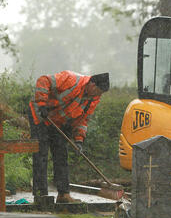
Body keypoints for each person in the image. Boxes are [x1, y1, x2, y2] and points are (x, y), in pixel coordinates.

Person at [27, 70, 110, 203]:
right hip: (41, 117)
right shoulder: (71, 79)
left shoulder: (94, 99)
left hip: (58, 122)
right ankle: (40, 195)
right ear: (92, 85)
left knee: (61, 155)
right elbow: (43, 80)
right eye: (99, 92)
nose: (98, 96)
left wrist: (79, 141)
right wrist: (42, 103)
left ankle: (63, 194)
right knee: (40, 155)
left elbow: (82, 121)